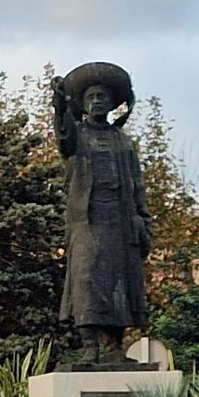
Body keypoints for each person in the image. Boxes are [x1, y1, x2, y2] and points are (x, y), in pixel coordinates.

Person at [52, 61, 153, 363]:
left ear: (112, 105)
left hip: (120, 223)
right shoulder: (77, 136)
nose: (97, 102)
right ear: (83, 104)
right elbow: (63, 136)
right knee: (86, 278)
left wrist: (143, 221)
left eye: (102, 98)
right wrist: (59, 106)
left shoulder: (123, 142)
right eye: (91, 97)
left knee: (118, 281)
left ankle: (113, 349)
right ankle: (89, 347)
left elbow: (137, 187)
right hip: (87, 220)